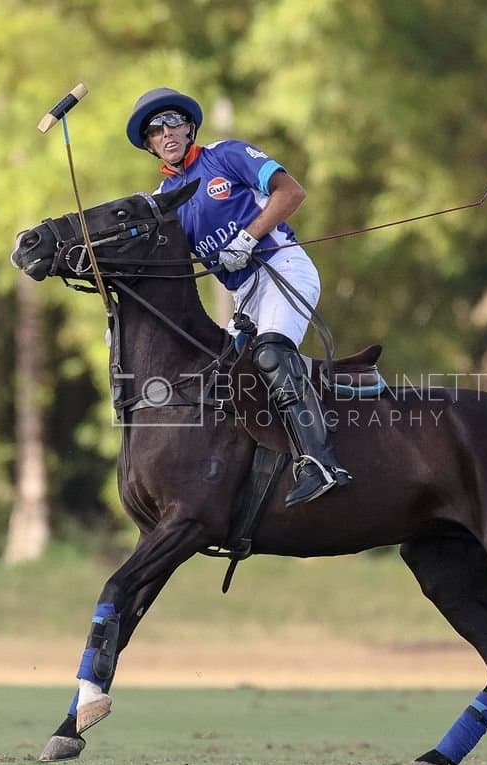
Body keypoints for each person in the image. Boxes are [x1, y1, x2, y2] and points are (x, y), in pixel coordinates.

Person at [126, 87, 352, 506]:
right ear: (150, 145)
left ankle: (321, 462)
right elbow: (157, 268)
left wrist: (249, 236)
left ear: (189, 126)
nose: (166, 133)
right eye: (155, 131)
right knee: (216, 380)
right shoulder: (164, 201)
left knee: (270, 354)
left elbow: (292, 192)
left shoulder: (225, 155)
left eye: (173, 122)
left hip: (283, 268)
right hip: (245, 295)